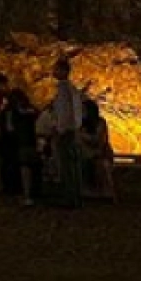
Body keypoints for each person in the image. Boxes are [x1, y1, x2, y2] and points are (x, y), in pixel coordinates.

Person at [48, 54, 84, 208]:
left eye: (56, 69)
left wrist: (62, 128)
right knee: (70, 165)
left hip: (66, 132)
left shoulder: (65, 89)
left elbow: (66, 111)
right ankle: (73, 196)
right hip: (70, 130)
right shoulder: (69, 89)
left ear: (63, 71)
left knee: (66, 166)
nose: (53, 72)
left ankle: (70, 198)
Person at [2, 87, 43, 206]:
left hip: (20, 143)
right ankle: (33, 192)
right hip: (32, 142)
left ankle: (26, 195)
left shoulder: (10, 112)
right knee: (33, 168)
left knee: (24, 168)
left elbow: (10, 129)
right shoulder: (31, 110)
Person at [78, 97, 117, 201]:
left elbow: (98, 140)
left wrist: (82, 136)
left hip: (100, 153)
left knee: (99, 165)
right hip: (86, 153)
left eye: (83, 110)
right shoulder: (81, 125)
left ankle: (103, 193)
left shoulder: (100, 123)